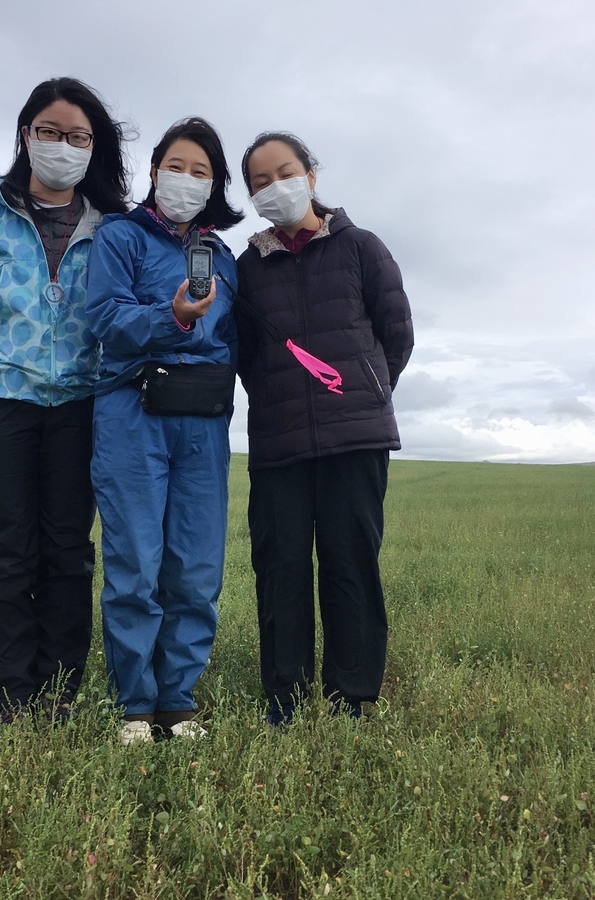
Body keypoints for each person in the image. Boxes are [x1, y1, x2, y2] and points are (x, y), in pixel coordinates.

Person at [0, 77, 129, 726]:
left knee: (67, 548)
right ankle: (8, 691)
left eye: (78, 136)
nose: (63, 145)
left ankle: (58, 687)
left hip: (83, 406)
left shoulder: (113, 226)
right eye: (50, 131)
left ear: (95, 147)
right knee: (4, 548)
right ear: (26, 135)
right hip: (2, 403)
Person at [234, 132, 414, 726]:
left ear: (311, 175)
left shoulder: (361, 247)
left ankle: (353, 697)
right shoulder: (246, 269)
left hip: (355, 438)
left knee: (350, 563)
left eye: (283, 172)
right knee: (280, 564)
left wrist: (361, 394)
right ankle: (284, 698)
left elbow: (397, 334)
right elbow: (244, 354)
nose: (273, 186)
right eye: (259, 181)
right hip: (279, 440)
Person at [86, 117, 244, 745]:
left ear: (215, 185)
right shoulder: (122, 236)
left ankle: (178, 700)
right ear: (153, 171)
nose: (186, 179)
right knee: (136, 561)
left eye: (201, 171)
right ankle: (134, 703)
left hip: (204, 422)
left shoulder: (225, 257)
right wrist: (172, 314)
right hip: (132, 411)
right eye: (176, 166)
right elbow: (103, 315)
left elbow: (239, 340)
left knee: (196, 565)